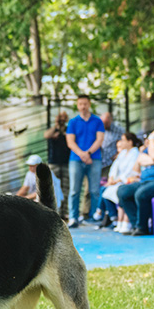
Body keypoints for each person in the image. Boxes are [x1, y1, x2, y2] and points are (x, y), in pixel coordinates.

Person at [65, 94, 105, 226]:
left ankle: (95, 217)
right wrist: (82, 154)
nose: (83, 106)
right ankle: (73, 217)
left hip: (94, 159)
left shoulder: (98, 121)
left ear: (89, 104)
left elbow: (99, 140)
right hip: (76, 159)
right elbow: (70, 142)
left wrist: (88, 153)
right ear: (77, 105)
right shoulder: (73, 122)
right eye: (80, 104)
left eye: (85, 104)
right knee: (74, 190)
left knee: (94, 190)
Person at [100, 132, 142, 233]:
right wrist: (111, 178)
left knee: (120, 192)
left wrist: (117, 180)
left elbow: (130, 171)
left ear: (130, 142)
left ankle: (124, 221)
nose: (121, 142)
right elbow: (115, 167)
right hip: (118, 181)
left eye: (123, 140)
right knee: (105, 191)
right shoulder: (123, 153)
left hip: (128, 180)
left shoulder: (135, 153)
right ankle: (116, 219)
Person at [43, 110, 70, 202]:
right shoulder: (53, 130)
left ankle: (65, 212)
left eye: (64, 117)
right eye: (60, 117)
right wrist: (56, 125)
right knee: (53, 187)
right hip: (54, 162)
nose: (62, 120)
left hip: (66, 162)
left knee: (66, 188)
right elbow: (46, 135)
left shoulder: (68, 130)